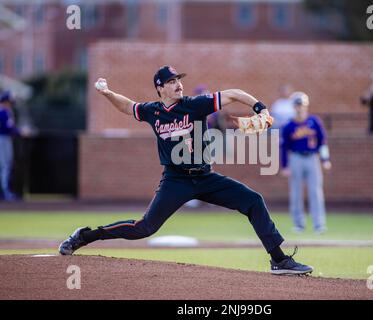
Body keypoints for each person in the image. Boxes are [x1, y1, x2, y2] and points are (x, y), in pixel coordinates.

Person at [59, 65, 313, 275]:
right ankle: (85, 236)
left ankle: (279, 260)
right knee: (144, 228)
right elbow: (128, 106)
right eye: (171, 81)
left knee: (253, 201)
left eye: (179, 79)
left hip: (205, 176)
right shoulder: (153, 111)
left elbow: (234, 93)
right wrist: (107, 93)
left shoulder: (195, 105)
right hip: (175, 180)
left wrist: (260, 107)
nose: (178, 84)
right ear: (160, 88)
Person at [281, 91, 331, 234]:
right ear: (293, 107)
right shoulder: (289, 125)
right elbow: (284, 147)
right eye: (297, 105)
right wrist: (285, 165)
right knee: (296, 192)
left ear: (306, 106)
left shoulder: (314, 121)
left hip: (312, 157)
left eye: (301, 105)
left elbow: (322, 142)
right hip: (296, 158)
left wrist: (325, 159)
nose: (299, 108)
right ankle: (298, 224)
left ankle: (319, 224)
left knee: (315, 191)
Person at [0, 91, 20, 201]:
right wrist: (20, 131)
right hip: (3, 139)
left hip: (4, 138)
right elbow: (9, 128)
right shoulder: (3, 112)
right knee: (5, 165)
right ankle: (5, 191)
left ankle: (5, 190)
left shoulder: (5, 112)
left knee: (5, 165)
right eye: (9, 102)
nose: (11, 104)